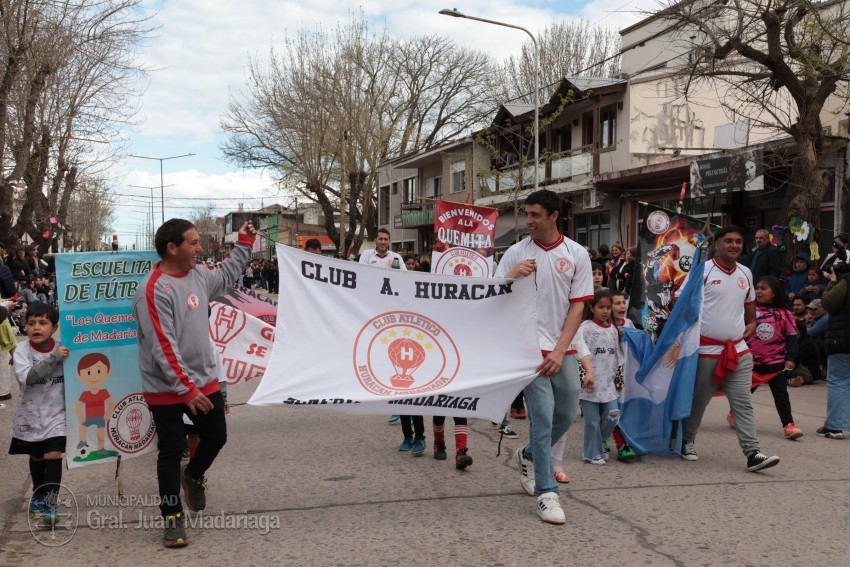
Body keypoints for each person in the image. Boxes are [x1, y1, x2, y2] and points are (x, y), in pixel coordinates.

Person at [132, 218, 256, 548]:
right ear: (172, 248)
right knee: (171, 449)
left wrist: (244, 243)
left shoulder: (199, 275)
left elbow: (228, 275)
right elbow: (163, 345)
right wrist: (185, 389)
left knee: (216, 436)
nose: (200, 249)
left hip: (203, 379)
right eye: (194, 243)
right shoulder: (154, 288)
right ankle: (172, 519)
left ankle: (194, 474)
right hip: (165, 385)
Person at [495, 189, 593, 525]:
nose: (529, 221)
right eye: (528, 214)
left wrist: (560, 349)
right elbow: (491, 294)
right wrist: (511, 276)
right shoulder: (516, 252)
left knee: (567, 413)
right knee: (543, 414)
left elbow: (578, 306)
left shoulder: (577, 254)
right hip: (526, 349)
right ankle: (546, 492)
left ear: (554, 216)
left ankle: (529, 454)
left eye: (536, 215)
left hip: (562, 347)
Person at [676, 225, 780, 472]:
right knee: (699, 402)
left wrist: (753, 322)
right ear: (717, 245)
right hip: (706, 351)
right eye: (729, 241)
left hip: (739, 350)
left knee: (743, 403)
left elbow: (749, 303)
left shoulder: (746, 271)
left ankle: (753, 453)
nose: (734, 245)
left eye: (738, 241)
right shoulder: (702, 270)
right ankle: (687, 440)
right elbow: (680, 301)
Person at [9, 303, 70, 524]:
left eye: (43, 323)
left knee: (53, 456)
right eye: (31, 323)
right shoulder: (22, 351)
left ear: (54, 327)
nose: (36, 327)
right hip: (30, 416)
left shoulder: (64, 348)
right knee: (36, 457)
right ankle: (38, 492)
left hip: (57, 416)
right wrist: (54, 359)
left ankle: (51, 503)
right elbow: (28, 377)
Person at [737, 276, 803, 440]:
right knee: (744, 394)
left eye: (763, 288)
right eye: (757, 288)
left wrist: (791, 358)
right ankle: (734, 415)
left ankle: (789, 425)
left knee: (781, 395)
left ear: (774, 293)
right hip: (750, 363)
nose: (758, 291)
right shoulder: (749, 311)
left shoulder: (785, 314)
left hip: (776, 364)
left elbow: (792, 338)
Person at [576, 290, 623, 465]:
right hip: (589, 384)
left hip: (608, 385)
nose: (605, 311)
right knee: (592, 422)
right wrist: (584, 375)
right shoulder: (585, 328)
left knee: (613, 415)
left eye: (608, 307)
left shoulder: (613, 330)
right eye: (601, 307)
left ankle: (599, 443)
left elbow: (618, 357)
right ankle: (590, 453)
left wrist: (618, 379)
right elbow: (578, 352)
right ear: (592, 307)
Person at [817, 259, 850, 438]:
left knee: (839, 380)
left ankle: (835, 426)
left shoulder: (845, 281)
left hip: (843, 339)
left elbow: (828, 303)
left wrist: (832, 281)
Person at [74, 353, 116, 456]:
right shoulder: (84, 394)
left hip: (100, 417)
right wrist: (81, 417)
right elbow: (78, 406)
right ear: (79, 375)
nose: (93, 376)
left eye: (98, 371)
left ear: (108, 372)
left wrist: (107, 414)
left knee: (101, 432)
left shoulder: (104, 392)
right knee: (82, 427)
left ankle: (101, 448)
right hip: (88, 418)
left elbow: (111, 403)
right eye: (88, 372)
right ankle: (83, 440)